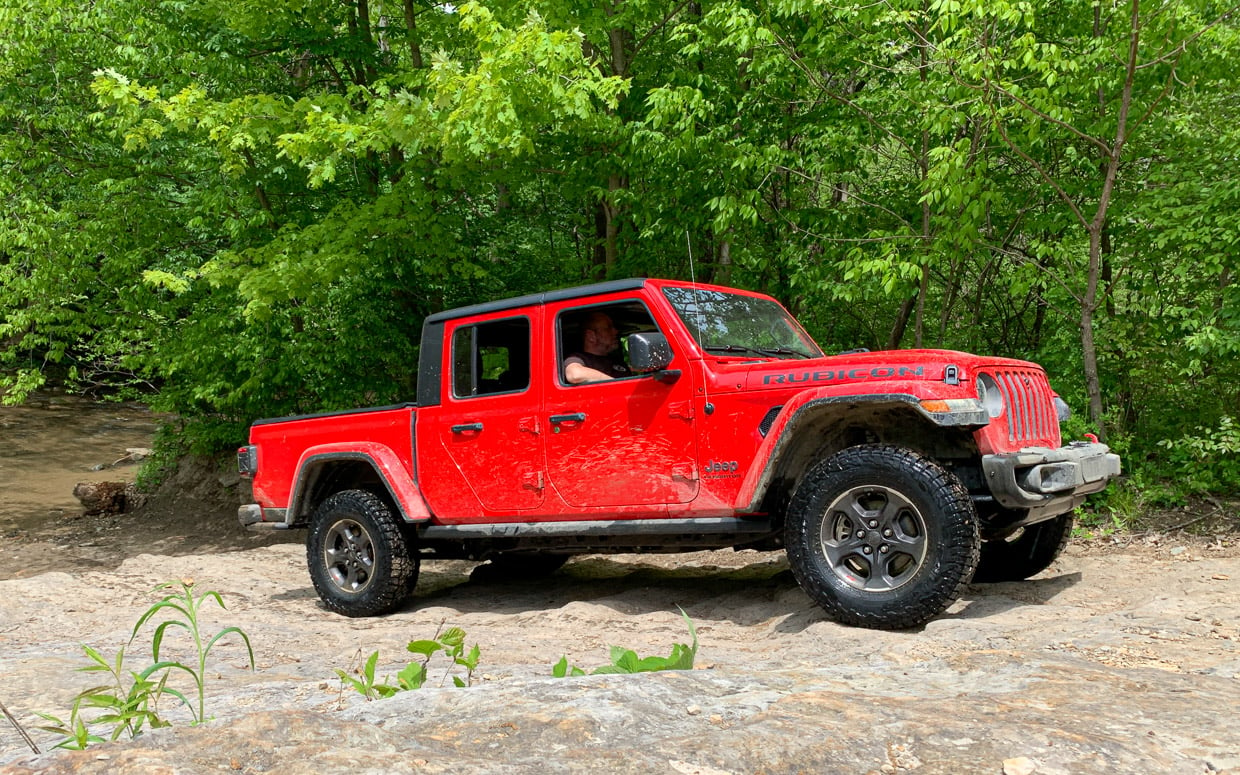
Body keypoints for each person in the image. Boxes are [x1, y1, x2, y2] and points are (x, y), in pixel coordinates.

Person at [564, 311, 631, 384]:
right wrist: (615, 384)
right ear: (591, 336)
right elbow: (574, 374)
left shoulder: (617, 361)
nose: (615, 331)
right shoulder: (578, 358)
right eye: (608, 328)